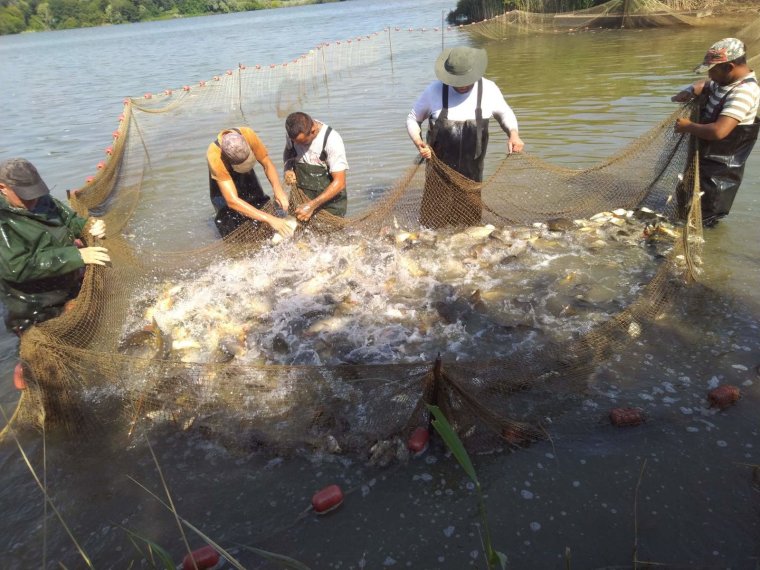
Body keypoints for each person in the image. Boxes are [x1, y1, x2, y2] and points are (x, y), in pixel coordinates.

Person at [407, 45, 525, 228]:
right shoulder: (434, 91)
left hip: (472, 176)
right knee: (431, 227)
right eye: (456, 81)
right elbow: (413, 119)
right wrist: (419, 143)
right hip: (438, 174)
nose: (461, 85)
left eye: (465, 80)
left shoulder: (489, 89)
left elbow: (505, 114)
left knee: (470, 227)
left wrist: (513, 134)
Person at [0, 158, 110, 335]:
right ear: (3, 188)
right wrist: (77, 256)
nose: (33, 200)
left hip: (65, 283)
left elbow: (70, 220)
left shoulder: (41, 199)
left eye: (35, 192)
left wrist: (89, 226)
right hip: (34, 304)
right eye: (26, 195)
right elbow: (17, 267)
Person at [672, 37, 760, 227]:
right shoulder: (724, 82)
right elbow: (704, 84)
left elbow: (719, 131)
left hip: (720, 174)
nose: (710, 75)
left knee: (704, 221)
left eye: (713, 70)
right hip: (705, 162)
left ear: (729, 67)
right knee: (686, 206)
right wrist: (690, 90)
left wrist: (687, 126)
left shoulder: (743, 92)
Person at [208, 127, 294, 238]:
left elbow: (266, 163)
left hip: (246, 173)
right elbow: (232, 200)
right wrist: (270, 219)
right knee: (229, 219)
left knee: (258, 202)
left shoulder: (248, 134)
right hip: (223, 180)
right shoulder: (214, 156)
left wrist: (277, 190)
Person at [283, 112, 349, 222]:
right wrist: (287, 169)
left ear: (313, 131)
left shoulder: (331, 140)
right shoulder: (293, 136)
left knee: (331, 237)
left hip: (330, 204)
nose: (298, 145)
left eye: (302, 142)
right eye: (295, 142)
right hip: (301, 195)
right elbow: (289, 152)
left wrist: (311, 206)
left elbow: (340, 183)